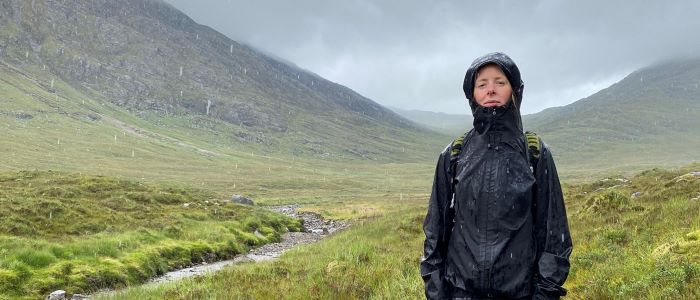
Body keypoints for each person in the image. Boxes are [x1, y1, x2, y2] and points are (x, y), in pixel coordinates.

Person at [420, 52, 572, 299]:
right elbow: (435, 235)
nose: (490, 90)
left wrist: (544, 295)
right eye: (482, 84)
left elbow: (555, 237)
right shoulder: (454, 154)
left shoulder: (534, 152)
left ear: (514, 90)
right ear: (473, 94)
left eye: (499, 82)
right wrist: (437, 293)